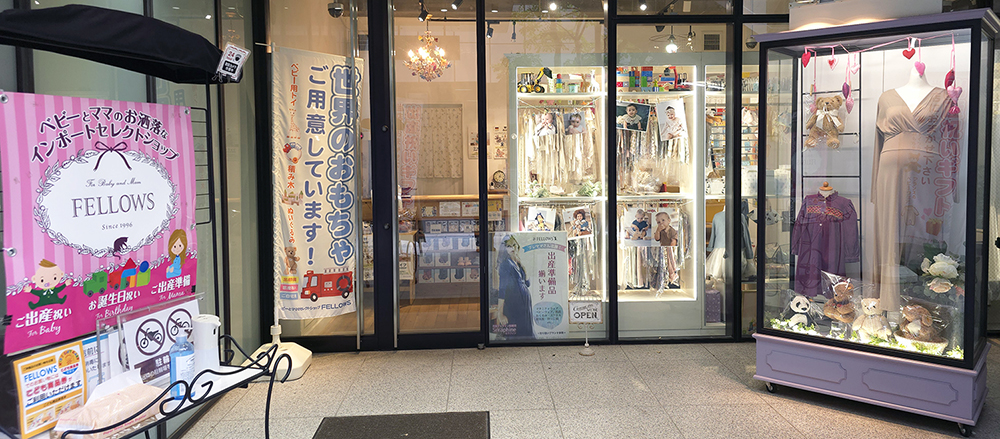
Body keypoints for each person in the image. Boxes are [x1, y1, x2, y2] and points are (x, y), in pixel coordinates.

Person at [496, 235, 534, 339]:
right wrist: (500, 313)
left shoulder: (517, 262)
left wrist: (523, 266)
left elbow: (527, 284)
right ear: (504, 248)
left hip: (525, 306)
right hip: (514, 305)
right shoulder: (506, 264)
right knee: (517, 334)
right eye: (508, 246)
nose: (512, 248)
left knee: (526, 333)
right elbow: (502, 289)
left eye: (514, 245)